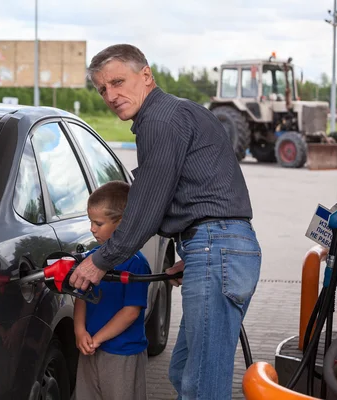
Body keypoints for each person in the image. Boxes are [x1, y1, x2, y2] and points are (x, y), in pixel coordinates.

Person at [69, 44, 262, 400]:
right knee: (184, 370)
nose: (111, 95)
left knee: (202, 385)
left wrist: (101, 260)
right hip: (215, 247)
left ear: (146, 75)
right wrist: (193, 257)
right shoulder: (175, 114)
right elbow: (203, 190)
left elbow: (147, 203)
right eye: (102, 89)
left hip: (217, 246)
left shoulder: (159, 120)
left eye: (117, 81)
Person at [73, 180, 150, 400]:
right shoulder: (91, 259)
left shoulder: (136, 264)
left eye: (98, 223)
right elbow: (80, 297)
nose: (91, 229)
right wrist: (80, 332)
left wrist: (98, 339)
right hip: (89, 346)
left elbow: (130, 312)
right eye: (91, 222)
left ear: (122, 223)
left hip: (122, 353)